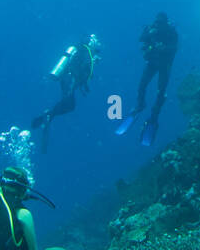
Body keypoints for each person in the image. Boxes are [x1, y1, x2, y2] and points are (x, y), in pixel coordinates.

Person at [116, 12, 178, 146]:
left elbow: (174, 47)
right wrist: (149, 33)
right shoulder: (152, 29)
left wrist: (164, 48)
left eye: (161, 23)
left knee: (161, 91)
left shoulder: (171, 32)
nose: (159, 25)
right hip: (152, 63)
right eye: (157, 22)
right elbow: (141, 39)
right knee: (142, 85)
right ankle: (140, 104)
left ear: (166, 23)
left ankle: (155, 114)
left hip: (164, 65)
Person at [31, 34, 101, 149]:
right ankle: (48, 116)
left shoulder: (81, 51)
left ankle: (48, 116)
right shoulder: (86, 52)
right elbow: (86, 72)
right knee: (69, 104)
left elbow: (83, 72)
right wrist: (92, 62)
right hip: (70, 79)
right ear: (92, 44)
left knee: (69, 104)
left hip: (67, 79)